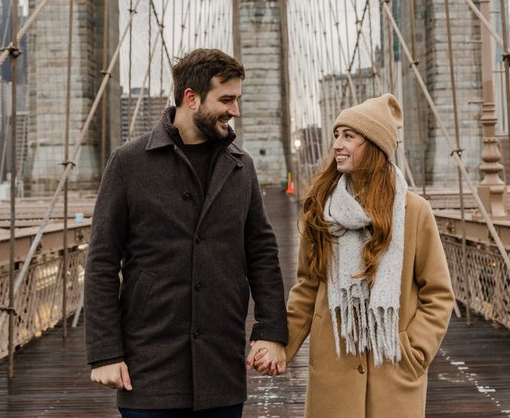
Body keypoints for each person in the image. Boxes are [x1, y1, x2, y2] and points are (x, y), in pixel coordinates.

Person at [86, 48, 288, 417]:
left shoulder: (241, 167)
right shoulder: (128, 163)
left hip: (221, 370)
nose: (235, 110)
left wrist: (271, 331)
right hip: (149, 371)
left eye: (237, 99)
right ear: (190, 98)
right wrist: (104, 353)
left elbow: (262, 253)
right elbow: (100, 261)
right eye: (226, 99)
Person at [256, 93, 454, 416]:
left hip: (393, 372)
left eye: (348, 136)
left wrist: (414, 350)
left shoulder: (414, 213)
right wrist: (281, 346)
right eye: (336, 135)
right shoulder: (321, 209)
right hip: (334, 371)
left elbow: (439, 294)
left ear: (374, 146)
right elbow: (307, 288)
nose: (337, 144)